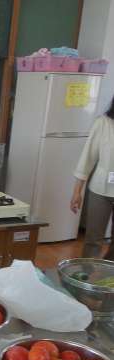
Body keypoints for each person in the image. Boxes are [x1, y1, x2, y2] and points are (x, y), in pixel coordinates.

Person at [70, 95, 114, 260]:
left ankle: (109, 273)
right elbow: (87, 158)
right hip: (100, 190)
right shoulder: (103, 123)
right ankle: (87, 273)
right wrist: (77, 192)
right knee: (93, 239)